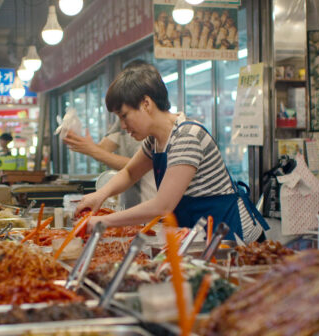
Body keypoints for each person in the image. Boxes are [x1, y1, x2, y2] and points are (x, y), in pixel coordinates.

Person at [75, 65, 267, 241]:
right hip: (200, 236)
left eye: (124, 116)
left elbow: (163, 206)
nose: (123, 126)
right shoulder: (154, 141)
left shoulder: (186, 136)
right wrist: (100, 195)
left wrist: (104, 222)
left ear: (146, 104)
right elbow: (130, 172)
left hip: (235, 237)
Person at [62, 60, 158, 209]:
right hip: (135, 207)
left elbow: (137, 167)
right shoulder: (129, 125)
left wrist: (91, 149)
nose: (123, 125)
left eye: (124, 115)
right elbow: (130, 169)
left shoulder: (170, 133)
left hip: (150, 206)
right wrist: (84, 143)